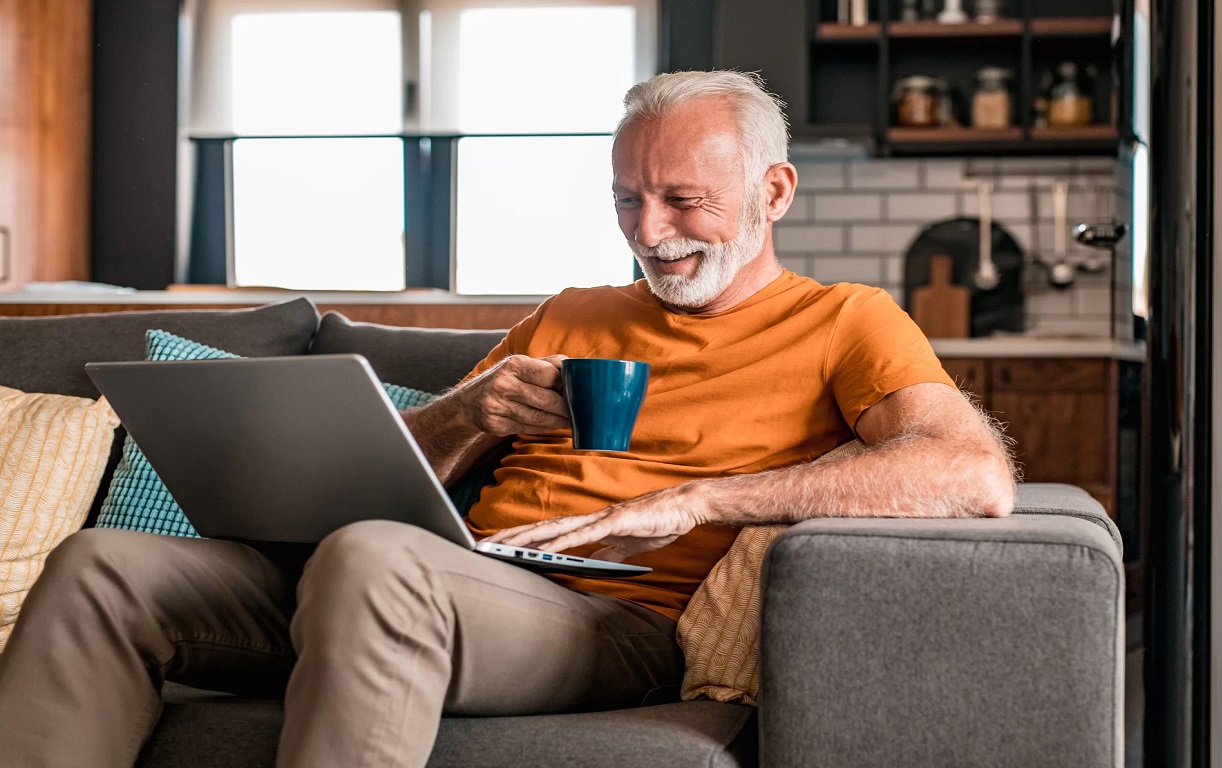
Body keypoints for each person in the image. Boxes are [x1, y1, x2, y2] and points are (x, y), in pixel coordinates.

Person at [0, 70, 1015, 768]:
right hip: (429, 578)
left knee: (373, 561)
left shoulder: (844, 320)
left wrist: (695, 501)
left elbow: (971, 474)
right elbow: (399, 482)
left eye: (681, 199)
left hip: (613, 621)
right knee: (105, 566)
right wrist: (469, 412)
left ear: (773, 191)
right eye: (626, 199)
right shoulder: (570, 309)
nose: (649, 233)